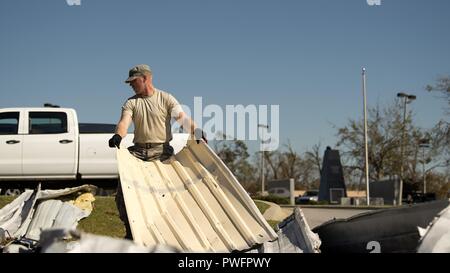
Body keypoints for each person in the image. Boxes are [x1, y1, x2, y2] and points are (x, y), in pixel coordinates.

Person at [108, 64, 206, 239]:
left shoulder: (166, 99)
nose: (131, 85)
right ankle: (131, 233)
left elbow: (182, 118)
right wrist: (118, 136)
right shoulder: (131, 102)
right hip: (138, 153)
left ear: (145, 78)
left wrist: (196, 130)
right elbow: (124, 122)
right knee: (124, 193)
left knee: (169, 194)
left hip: (162, 152)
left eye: (133, 81)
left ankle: (171, 232)